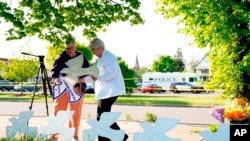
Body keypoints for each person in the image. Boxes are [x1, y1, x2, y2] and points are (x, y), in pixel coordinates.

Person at [88, 37, 128, 141]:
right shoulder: (101, 59)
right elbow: (96, 74)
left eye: (92, 49)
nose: (92, 52)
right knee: (103, 117)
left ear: (99, 48)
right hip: (105, 92)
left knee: (102, 117)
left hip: (111, 91)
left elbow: (112, 73)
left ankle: (118, 136)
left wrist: (98, 77)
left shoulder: (109, 57)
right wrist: (84, 79)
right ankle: (119, 136)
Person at [51, 38, 90, 141]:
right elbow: (54, 72)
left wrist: (82, 78)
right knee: (58, 111)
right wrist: (55, 80)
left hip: (77, 88)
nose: (69, 50)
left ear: (75, 46)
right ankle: (55, 134)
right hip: (62, 89)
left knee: (75, 113)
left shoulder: (81, 57)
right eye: (67, 48)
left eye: (71, 48)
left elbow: (87, 71)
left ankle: (74, 135)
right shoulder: (60, 57)